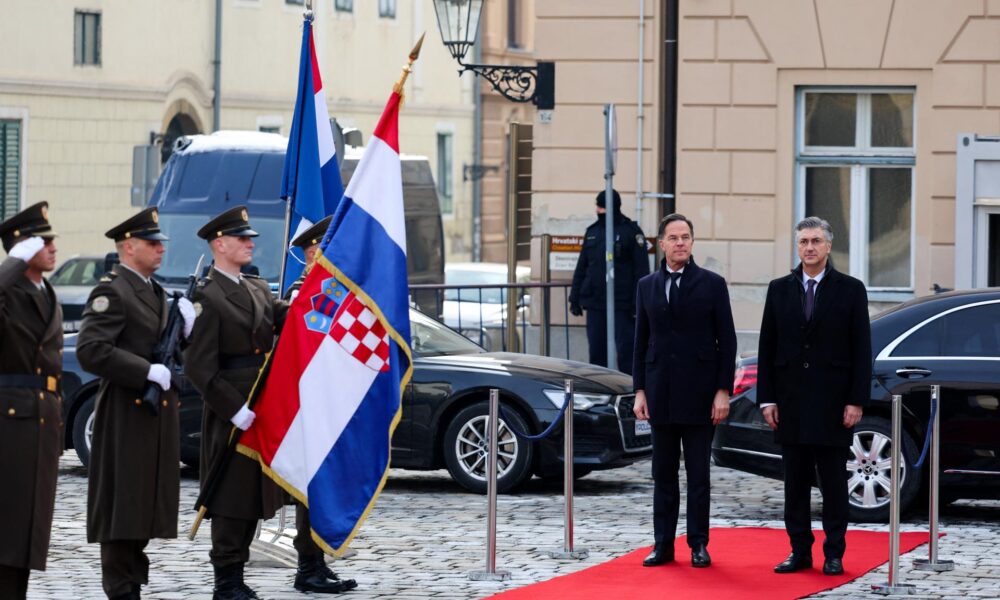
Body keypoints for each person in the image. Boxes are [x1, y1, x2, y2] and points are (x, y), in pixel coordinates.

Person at [76, 207, 194, 599]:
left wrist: (186, 331)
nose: (161, 249)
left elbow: (165, 347)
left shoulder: (155, 289)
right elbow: (92, 350)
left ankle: (133, 582)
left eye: (161, 242)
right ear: (129, 247)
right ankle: (121, 587)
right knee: (122, 506)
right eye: (152, 242)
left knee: (145, 502)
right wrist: (144, 371)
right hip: (125, 413)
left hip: (155, 416)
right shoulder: (113, 290)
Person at [182, 206, 291, 600]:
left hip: (262, 403)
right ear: (219, 244)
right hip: (231, 409)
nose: (249, 243)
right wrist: (233, 408)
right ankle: (226, 580)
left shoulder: (256, 287)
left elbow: (287, 319)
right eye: (241, 238)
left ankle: (238, 575)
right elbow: (198, 366)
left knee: (251, 493)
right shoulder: (207, 297)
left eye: (250, 238)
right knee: (229, 495)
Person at [757, 216, 871, 576]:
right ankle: (799, 551)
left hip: (833, 405)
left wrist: (856, 400)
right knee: (795, 486)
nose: (809, 247)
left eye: (816, 241)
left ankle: (834, 552)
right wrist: (767, 399)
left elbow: (861, 349)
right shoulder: (779, 289)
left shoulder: (851, 290)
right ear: (797, 246)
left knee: (834, 485)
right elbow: (767, 346)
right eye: (804, 241)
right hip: (790, 404)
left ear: (829, 246)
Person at [632, 213, 736, 568]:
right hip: (660, 393)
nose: (680, 243)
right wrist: (639, 391)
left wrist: (723, 390)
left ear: (692, 242)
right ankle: (663, 544)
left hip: (701, 395)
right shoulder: (646, 285)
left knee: (698, 475)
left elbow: (728, 341)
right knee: (662, 474)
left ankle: (698, 544)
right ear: (661, 243)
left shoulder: (712, 284)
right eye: (673, 238)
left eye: (686, 237)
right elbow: (640, 342)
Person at [282, 215, 357, 594]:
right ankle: (306, 566)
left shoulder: (333, 288)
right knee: (309, 490)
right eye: (324, 247)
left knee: (326, 485)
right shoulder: (304, 291)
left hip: (329, 401)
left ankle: (317, 561)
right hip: (307, 403)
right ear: (313, 252)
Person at [0, 202, 63, 600]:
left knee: (28, 527)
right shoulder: (9, 291)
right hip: (9, 419)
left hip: (41, 420)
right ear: (21, 248)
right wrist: (8, 267)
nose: (54, 247)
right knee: (6, 523)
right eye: (44, 240)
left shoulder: (45, 290)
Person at [569, 189, 649, 375]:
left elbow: (641, 271)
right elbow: (582, 267)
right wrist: (575, 297)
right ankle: (600, 394)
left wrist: (637, 304)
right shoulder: (593, 232)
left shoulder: (631, 232)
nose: (597, 210)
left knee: (626, 353)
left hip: (623, 305)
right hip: (596, 303)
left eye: (600, 206)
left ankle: (630, 394)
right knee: (597, 353)